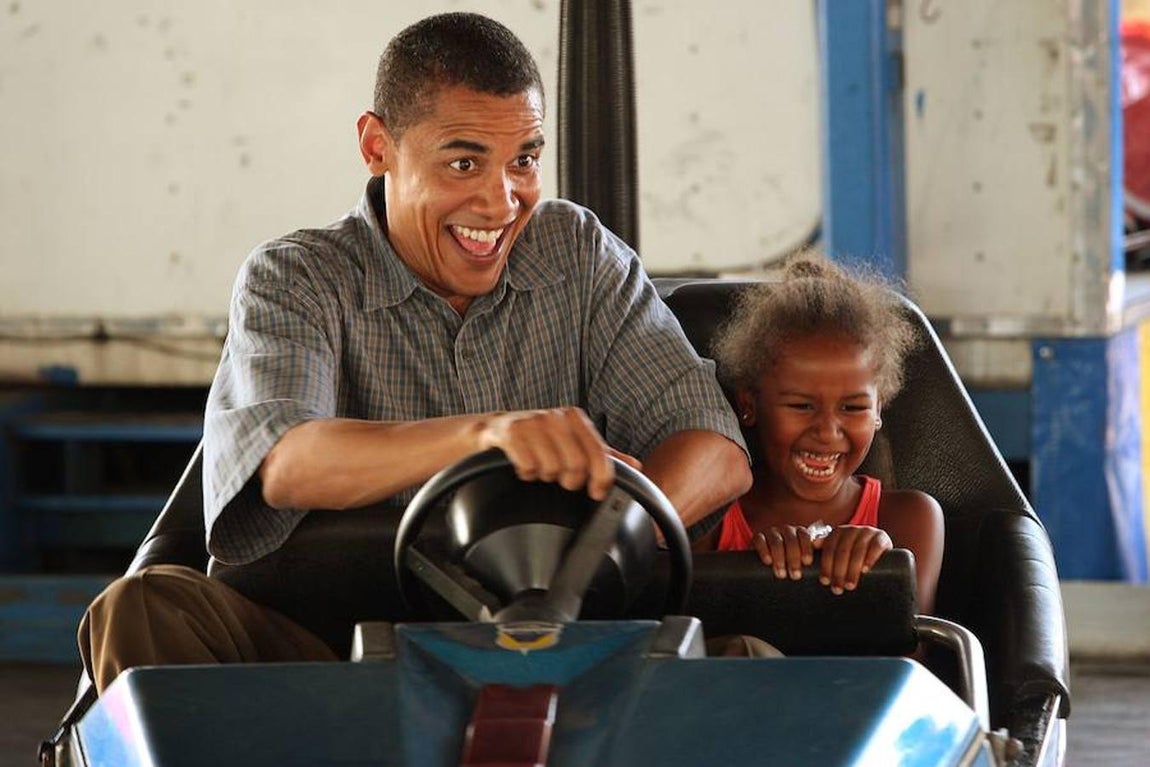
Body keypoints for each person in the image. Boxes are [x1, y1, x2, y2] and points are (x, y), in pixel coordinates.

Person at [77, 12, 750, 693]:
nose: (502, 200)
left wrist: (600, 546)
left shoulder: (577, 254)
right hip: (342, 670)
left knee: (749, 660)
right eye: (464, 163)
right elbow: (284, 461)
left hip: (570, 652)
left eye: (524, 159)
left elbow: (715, 447)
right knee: (139, 608)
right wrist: (489, 438)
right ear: (378, 147)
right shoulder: (298, 278)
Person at [699, 254, 944, 615]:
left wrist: (881, 571)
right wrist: (751, 577)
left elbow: (915, 653)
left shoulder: (908, 519)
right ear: (748, 404)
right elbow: (680, 647)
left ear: (879, 410)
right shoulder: (709, 517)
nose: (828, 432)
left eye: (853, 408)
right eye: (801, 406)